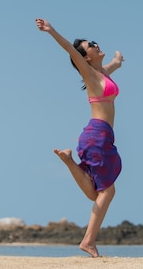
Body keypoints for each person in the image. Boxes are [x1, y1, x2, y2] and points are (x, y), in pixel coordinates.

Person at [35, 18, 124, 258]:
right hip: (97, 137)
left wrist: (116, 61)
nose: (96, 45)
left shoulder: (101, 74)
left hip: (101, 137)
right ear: (85, 58)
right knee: (107, 192)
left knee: (97, 193)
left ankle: (69, 161)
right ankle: (88, 241)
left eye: (94, 42)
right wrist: (51, 30)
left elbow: (110, 69)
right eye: (91, 45)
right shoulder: (90, 75)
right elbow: (69, 49)